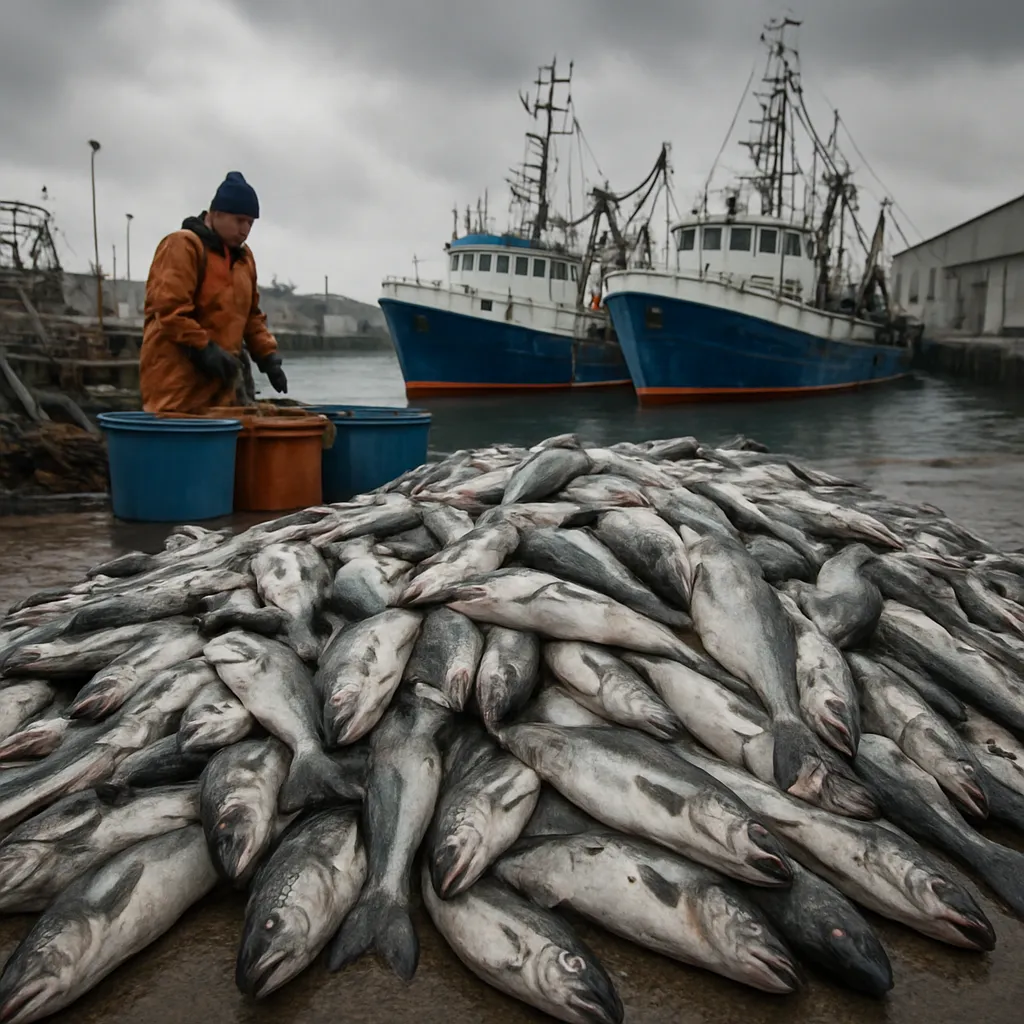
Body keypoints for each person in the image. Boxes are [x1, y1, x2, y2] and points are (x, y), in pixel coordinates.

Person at [139, 171, 288, 414]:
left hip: (222, 381)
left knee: (225, 442)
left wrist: (268, 357)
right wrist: (204, 349)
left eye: (250, 223)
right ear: (216, 214)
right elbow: (170, 311)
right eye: (239, 220)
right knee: (180, 436)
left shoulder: (244, 259)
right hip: (178, 380)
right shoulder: (183, 246)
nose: (245, 230)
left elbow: (251, 315)